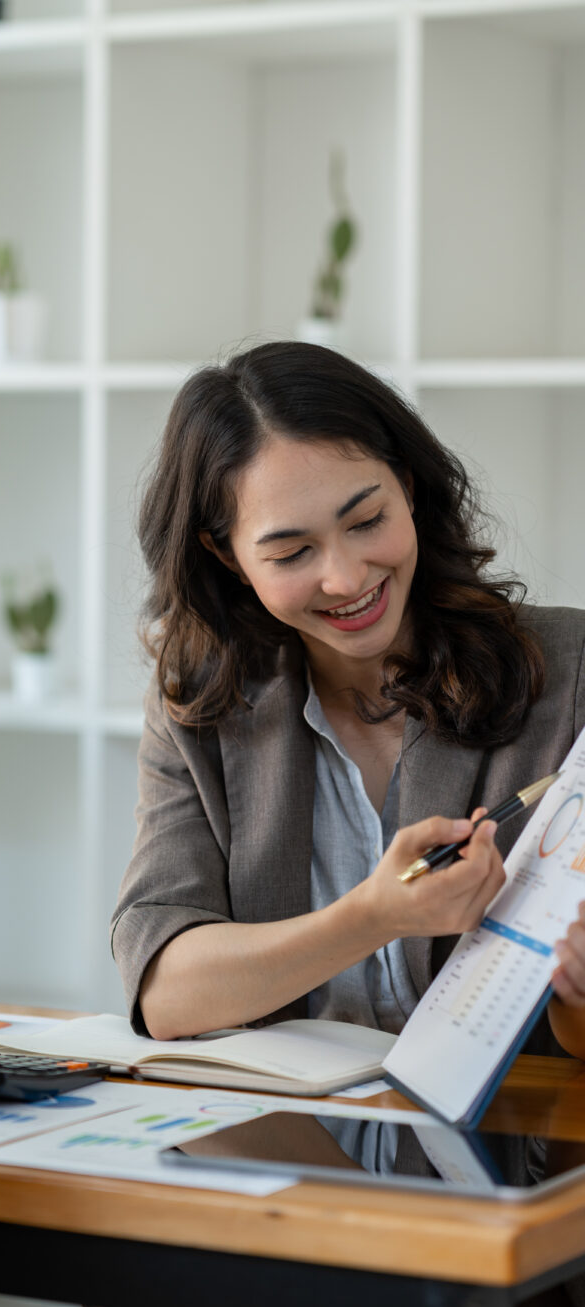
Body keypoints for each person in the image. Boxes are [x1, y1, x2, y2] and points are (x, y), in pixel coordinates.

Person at [113, 342, 585, 1068]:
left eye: (366, 521)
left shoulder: (569, 672)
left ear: (408, 486)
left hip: (513, 1162)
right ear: (227, 557)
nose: (345, 577)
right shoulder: (202, 701)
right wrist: (372, 916)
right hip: (282, 1156)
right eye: (293, 552)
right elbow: (165, 988)